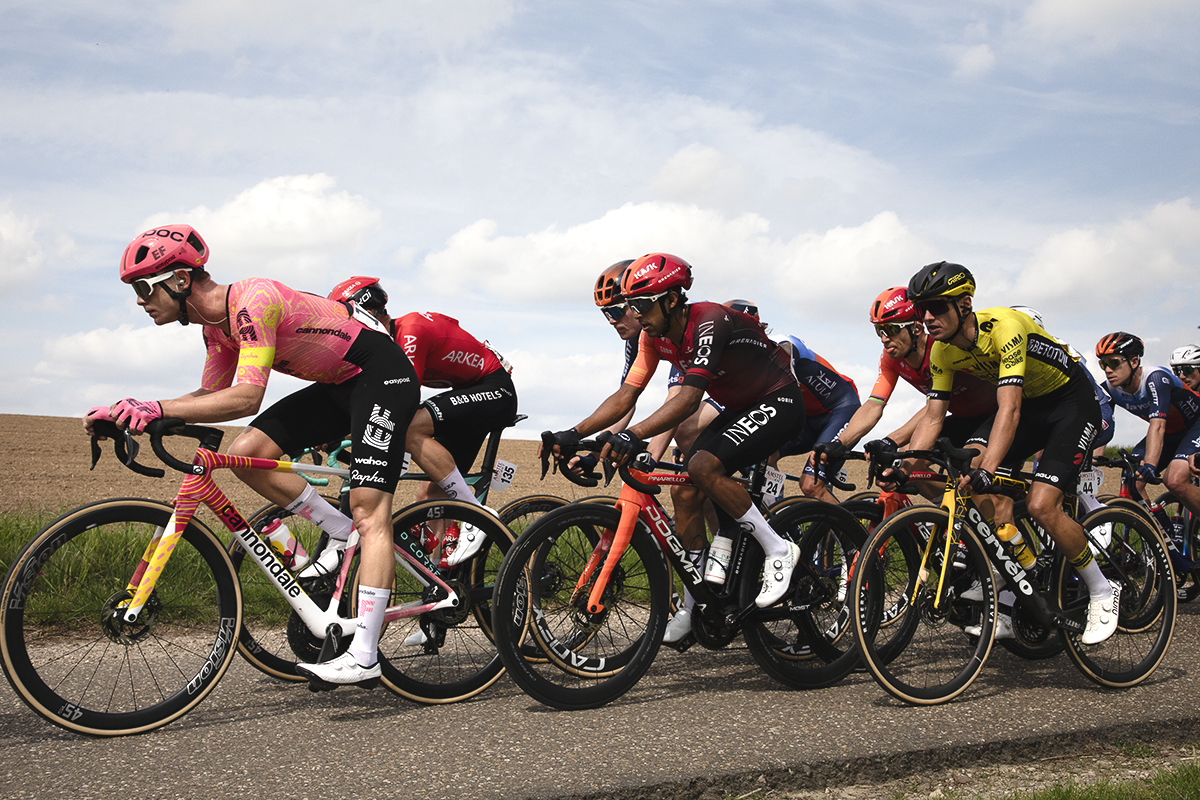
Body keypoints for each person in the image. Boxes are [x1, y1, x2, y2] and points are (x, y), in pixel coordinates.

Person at [85, 225, 418, 688]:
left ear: (180, 280)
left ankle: (364, 657)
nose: (140, 301)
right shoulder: (214, 328)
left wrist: (156, 408)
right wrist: (129, 413)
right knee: (249, 451)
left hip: (381, 376)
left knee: (369, 511)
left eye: (144, 288)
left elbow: (245, 398)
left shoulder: (253, 301)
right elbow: (210, 396)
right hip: (339, 385)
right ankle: (341, 531)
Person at [544, 253, 806, 608]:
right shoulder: (652, 338)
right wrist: (573, 434)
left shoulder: (708, 320)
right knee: (684, 491)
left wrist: (633, 434)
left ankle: (779, 549)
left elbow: (688, 399)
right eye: (630, 306)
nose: (635, 314)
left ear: (670, 300)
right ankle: (695, 604)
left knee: (702, 467)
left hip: (779, 400)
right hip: (741, 408)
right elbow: (626, 395)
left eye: (640, 304)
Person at [882, 261, 1118, 645]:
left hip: (1071, 403)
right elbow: (934, 416)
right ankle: (1013, 586)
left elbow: (1009, 408)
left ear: (965, 305)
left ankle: (1102, 589)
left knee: (1041, 504)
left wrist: (989, 468)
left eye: (937, 307)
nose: (927, 318)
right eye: (922, 309)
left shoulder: (1004, 327)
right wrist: (904, 464)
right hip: (1032, 407)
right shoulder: (943, 352)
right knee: (966, 470)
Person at [327, 277, 516, 569]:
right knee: (430, 495)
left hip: (495, 390)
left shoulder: (410, 331)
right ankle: (440, 577)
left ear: (367, 313)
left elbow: (400, 401)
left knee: (410, 427)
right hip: (468, 394)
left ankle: (476, 515)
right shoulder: (387, 345)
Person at [1096, 332, 1200, 544]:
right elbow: (1103, 428)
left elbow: (1158, 425)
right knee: (1131, 478)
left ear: (1134, 361)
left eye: (1114, 363)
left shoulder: (1156, 379)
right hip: (1170, 433)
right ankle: (1164, 540)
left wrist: (1151, 465)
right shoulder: (1109, 389)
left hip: (1194, 427)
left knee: (1174, 480)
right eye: (1103, 364)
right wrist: (1094, 461)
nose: (1108, 370)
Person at [772, 334, 861, 503]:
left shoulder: (782, 343)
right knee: (766, 456)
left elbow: (790, 348)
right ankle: (775, 514)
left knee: (811, 485)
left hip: (842, 410)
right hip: (809, 417)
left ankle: (847, 522)